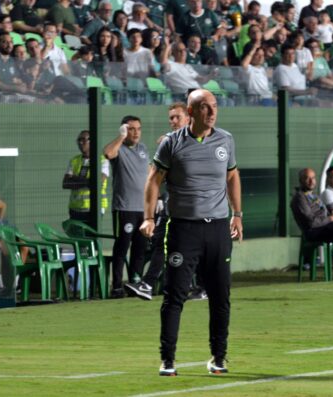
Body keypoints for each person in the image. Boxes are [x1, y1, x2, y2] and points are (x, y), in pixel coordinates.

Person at [140, 89, 242, 376]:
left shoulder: (226, 139)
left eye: (214, 106)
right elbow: (153, 180)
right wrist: (149, 217)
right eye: (205, 107)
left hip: (219, 229)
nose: (212, 112)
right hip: (183, 230)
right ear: (192, 111)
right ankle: (168, 359)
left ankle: (219, 357)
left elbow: (232, 175)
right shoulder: (172, 143)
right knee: (175, 295)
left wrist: (237, 215)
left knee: (220, 296)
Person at [125, 103, 190, 301]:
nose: (173, 121)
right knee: (164, 246)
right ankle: (149, 283)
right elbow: (156, 175)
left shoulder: (194, 140)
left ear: (188, 118)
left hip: (194, 208)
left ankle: (199, 286)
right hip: (173, 206)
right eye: (171, 118)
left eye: (177, 117)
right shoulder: (170, 141)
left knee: (187, 249)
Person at [103, 116, 151, 299]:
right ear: (124, 129)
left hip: (143, 209)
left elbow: (148, 173)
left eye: (138, 128)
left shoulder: (143, 149)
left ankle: (135, 284)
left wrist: (158, 198)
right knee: (122, 247)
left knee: (140, 248)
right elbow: (107, 153)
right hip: (124, 208)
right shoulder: (119, 148)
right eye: (131, 129)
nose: (136, 132)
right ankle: (116, 286)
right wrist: (121, 137)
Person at [62, 130, 110, 227]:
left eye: (84, 140)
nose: (80, 143)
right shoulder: (74, 160)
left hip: (94, 208)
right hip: (75, 208)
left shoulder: (102, 160)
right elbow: (66, 184)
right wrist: (89, 182)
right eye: (79, 140)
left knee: (91, 238)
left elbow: (97, 182)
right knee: (77, 238)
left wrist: (75, 178)